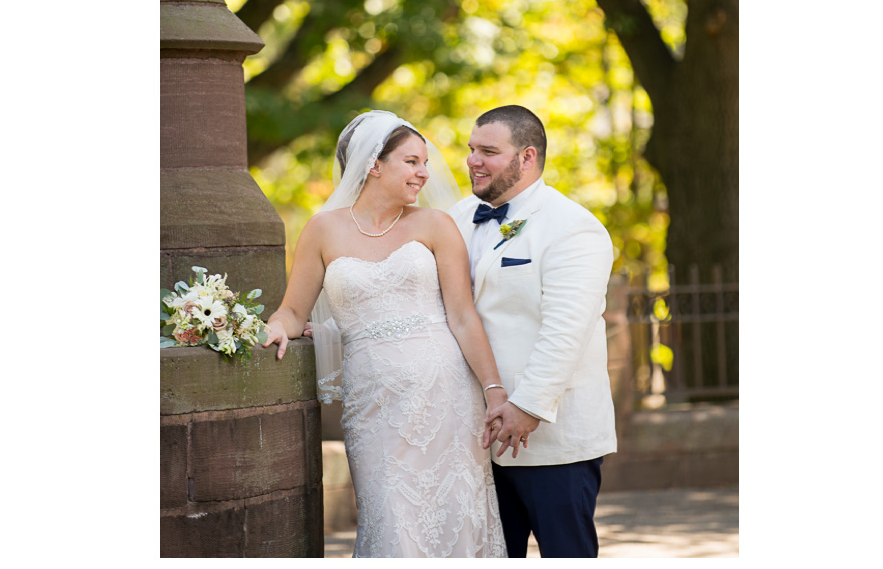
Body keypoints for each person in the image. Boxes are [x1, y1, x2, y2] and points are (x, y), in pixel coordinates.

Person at [262, 110, 508, 558]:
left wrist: (494, 391)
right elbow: (294, 310)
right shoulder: (323, 230)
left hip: (448, 399)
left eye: (424, 163)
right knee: (391, 522)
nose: (424, 174)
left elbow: (463, 316)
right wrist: (277, 328)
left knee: (456, 519)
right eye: (412, 161)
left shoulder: (435, 226)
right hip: (373, 404)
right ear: (374, 164)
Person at [449, 104, 618, 559]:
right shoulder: (458, 216)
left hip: (551, 440)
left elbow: (566, 331)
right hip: (475, 433)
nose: (473, 161)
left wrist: (527, 406)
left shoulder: (574, 228)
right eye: (471, 150)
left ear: (527, 157)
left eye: (489, 151)